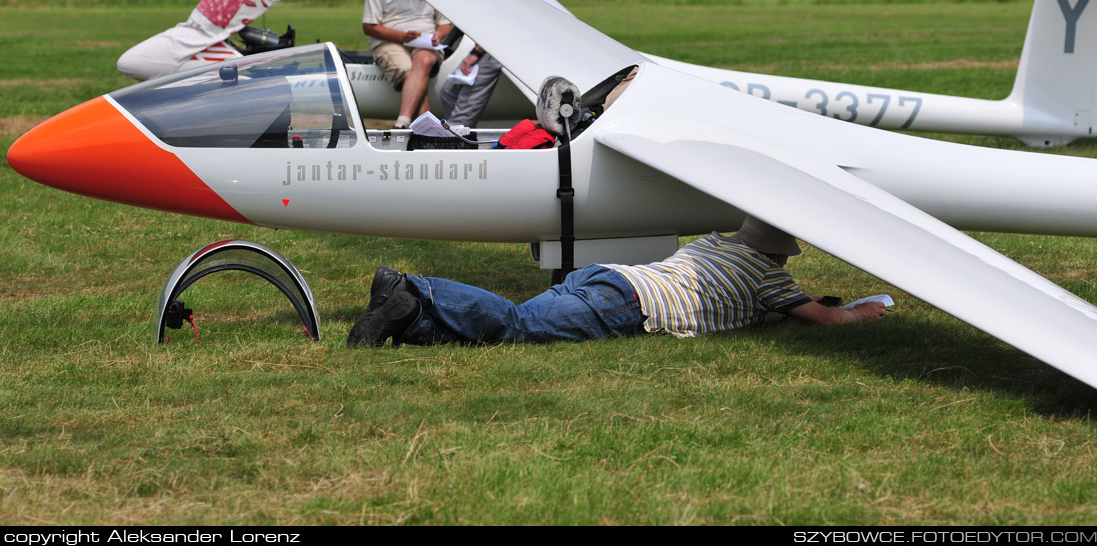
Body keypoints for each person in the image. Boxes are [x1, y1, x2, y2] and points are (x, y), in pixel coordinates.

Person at [347, 216, 888, 348]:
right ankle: (412, 288)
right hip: (630, 303)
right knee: (517, 326)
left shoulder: (718, 244)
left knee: (510, 333)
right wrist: (864, 310)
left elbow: (746, 304)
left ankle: (410, 321)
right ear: (779, 253)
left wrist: (781, 308)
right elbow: (827, 319)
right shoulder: (769, 278)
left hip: (608, 278)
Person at [363, 0, 452, 129]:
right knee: (409, 73)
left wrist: (438, 35)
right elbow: (369, 26)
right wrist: (403, 37)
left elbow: (445, 23)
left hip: (426, 41)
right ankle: (427, 131)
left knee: (424, 60)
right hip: (388, 40)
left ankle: (402, 123)